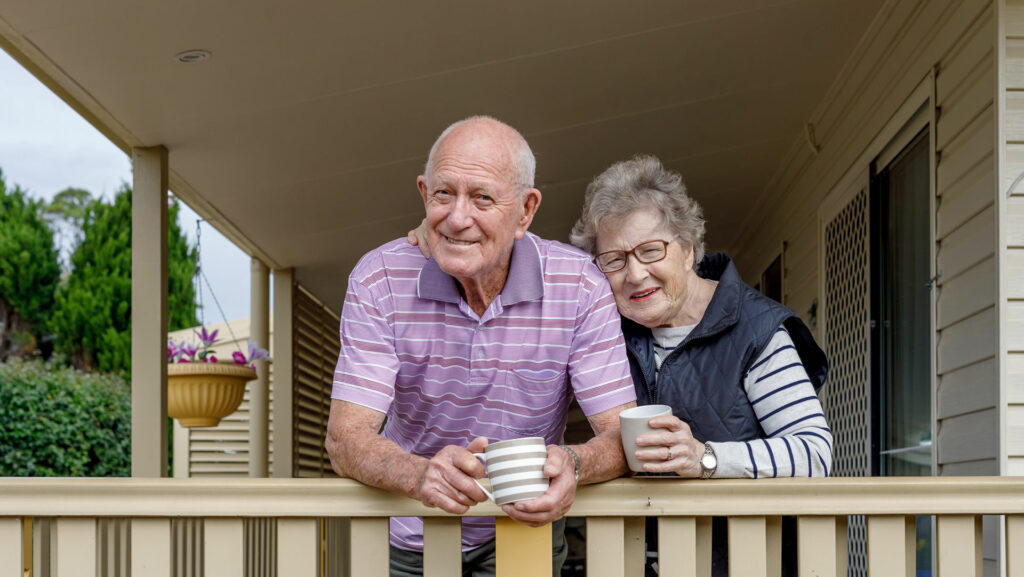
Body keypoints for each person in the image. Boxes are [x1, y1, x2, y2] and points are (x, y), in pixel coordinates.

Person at [326, 116, 637, 577]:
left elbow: (619, 436)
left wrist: (574, 462)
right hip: (412, 529)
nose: (456, 218)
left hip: (523, 527)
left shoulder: (579, 285)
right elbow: (344, 439)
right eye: (443, 193)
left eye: (483, 198)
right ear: (422, 194)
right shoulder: (379, 280)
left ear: (526, 210)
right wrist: (419, 474)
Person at [568, 155, 832, 576]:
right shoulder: (604, 332)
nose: (635, 274)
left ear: (688, 250)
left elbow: (814, 453)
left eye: (651, 250)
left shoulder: (755, 329)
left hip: (746, 564)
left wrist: (706, 459)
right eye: (615, 260)